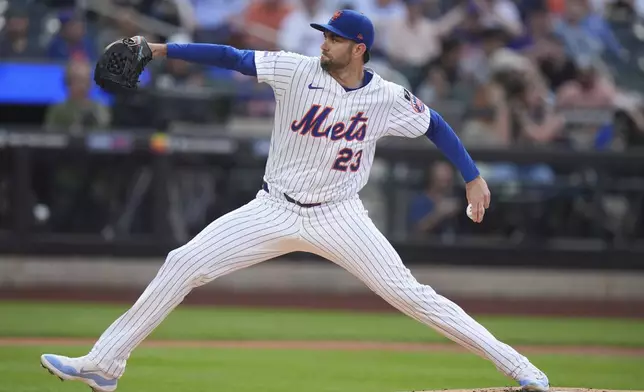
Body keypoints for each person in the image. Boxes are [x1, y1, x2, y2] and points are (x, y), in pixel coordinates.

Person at [39, 10, 550, 392]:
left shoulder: (386, 98)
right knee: (182, 262)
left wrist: (472, 177)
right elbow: (231, 58)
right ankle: (105, 365)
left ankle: (520, 368)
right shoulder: (294, 69)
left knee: (414, 297)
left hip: (340, 215)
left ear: (360, 48)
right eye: (323, 35)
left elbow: (434, 124)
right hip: (273, 208)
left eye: (334, 39)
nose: (324, 43)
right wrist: (159, 49)